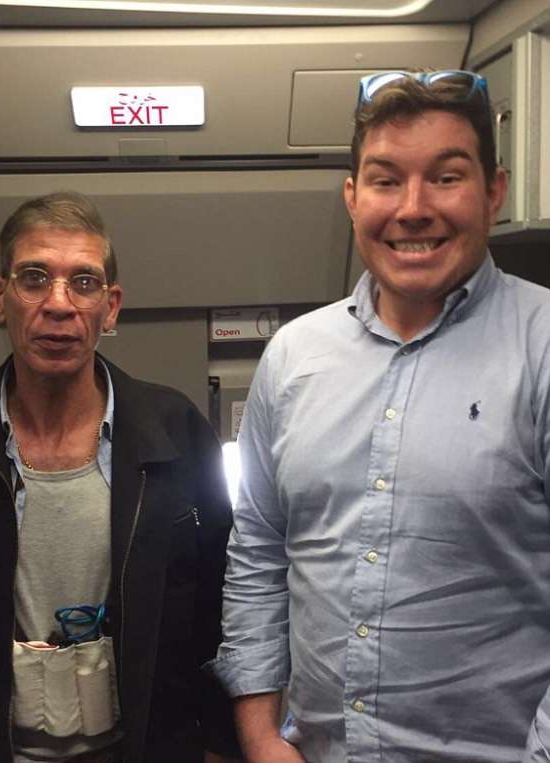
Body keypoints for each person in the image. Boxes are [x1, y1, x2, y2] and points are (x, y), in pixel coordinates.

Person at [209, 70, 550, 763]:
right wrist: (260, 736)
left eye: (446, 177)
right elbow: (260, 550)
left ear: (494, 191)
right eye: (386, 180)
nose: (413, 208)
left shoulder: (541, 346)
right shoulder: (292, 357)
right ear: (352, 197)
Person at [0, 192, 238, 763]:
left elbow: (221, 603)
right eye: (34, 278)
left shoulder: (173, 429)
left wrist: (222, 744)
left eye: (84, 283)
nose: (59, 304)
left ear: (110, 307)